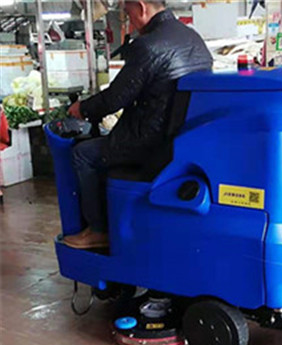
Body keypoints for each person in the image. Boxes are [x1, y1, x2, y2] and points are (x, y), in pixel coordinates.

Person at [64, 0, 213, 249]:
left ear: (141, 8)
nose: (128, 19)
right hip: (180, 138)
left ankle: (98, 230)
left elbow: (115, 98)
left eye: (127, 12)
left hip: (150, 142)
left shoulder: (148, 45)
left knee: (83, 154)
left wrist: (83, 109)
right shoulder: (192, 38)